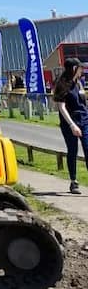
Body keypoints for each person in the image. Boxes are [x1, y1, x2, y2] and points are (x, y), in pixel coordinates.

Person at [52, 58, 88, 194]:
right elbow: (61, 107)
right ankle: (73, 182)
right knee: (72, 151)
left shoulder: (79, 83)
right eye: (80, 68)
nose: (82, 70)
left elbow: (83, 103)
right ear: (73, 69)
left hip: (84, 120)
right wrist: (72, 125)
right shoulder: (62, 85)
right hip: (70, 123)